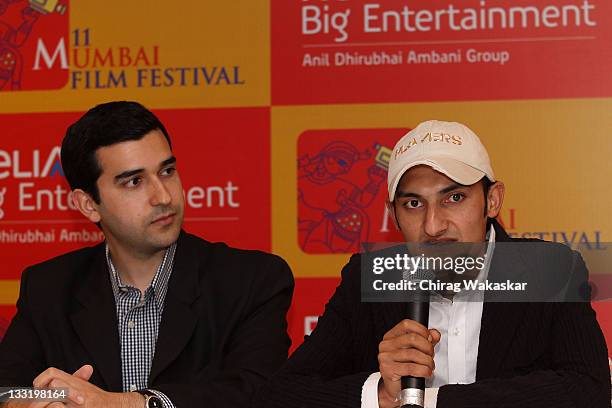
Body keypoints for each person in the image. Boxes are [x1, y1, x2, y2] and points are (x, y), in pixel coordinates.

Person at [254, 120, 610, 408]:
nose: (433, 225)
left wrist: (427, 401)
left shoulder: (549, 270)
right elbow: (281, 393)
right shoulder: (372, 277)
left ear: (493, 200)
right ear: (392, 214)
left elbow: (588, 389)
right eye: (413, 204)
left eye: (454, 197)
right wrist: (381, 395)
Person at [0, 101, 294, 408]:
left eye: (167, 171)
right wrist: (35, 402)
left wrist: (122, 404)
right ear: (88, 204)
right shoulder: (49, 287)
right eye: (134, 182)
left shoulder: (252, 281)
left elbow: (258, 393)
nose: (164, 196)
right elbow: (6, 389)